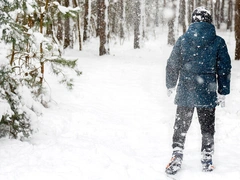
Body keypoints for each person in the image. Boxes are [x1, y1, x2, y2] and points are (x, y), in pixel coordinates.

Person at [165, 7, 231, 175]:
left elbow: (172, 64)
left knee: (181, 125)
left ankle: (177, 153)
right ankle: (207, 155)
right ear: (209, 21)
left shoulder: (183, 40)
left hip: (186, 90)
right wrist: (223, 91)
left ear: (193, 21)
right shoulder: (218, 42)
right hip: (207, 91)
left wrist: (170, 84)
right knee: (207, 126)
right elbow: (224, 68)